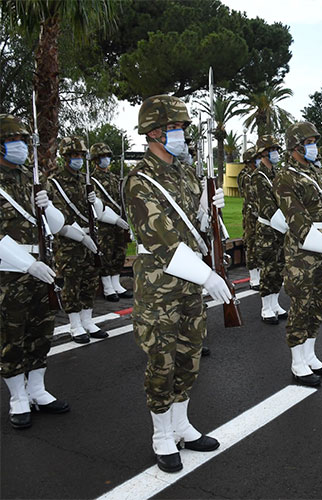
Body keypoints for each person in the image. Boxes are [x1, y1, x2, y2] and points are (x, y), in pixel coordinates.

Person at [124, 95, 227, 473]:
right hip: (159, 287)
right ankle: (162, 434)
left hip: (189, 286)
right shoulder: (139, 181)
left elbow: (195, 230)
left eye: (182, 127)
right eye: (173, 128)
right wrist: (208, 276)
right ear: (153, 132)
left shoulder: (185, 173)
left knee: (189, 356)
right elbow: (165, 244)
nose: (181, 133)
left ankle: (181, 424)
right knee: (162, 362)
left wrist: (209, 209)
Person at [0, 113, 70, 429]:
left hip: (41, 267)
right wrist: (29, 264)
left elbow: (56, 226)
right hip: (9, 273)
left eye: (22, 140)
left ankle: (38, 390)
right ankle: (18, 397)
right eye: (12, 140)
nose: (20, 146)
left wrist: (47, 205)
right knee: (11, 335)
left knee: (41, 331)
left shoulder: (31, 178)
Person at [273, 121, 322, 387]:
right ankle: (297, 362)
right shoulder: (285, 178)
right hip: (303, 252)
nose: (314, 147)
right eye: (309, 143)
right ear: (296, 146)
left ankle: (310, 355)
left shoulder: (316, 173)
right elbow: (298, 222)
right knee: (301, 305)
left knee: (319, 304)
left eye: (315, 142)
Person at [49, 137, 107, 343]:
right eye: (74, 155)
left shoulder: (86, 180)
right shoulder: (54, 182)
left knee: (90, 280)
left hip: (90, 235)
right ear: (65, 157)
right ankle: (75, 325)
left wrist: (96, 201)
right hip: (69, 241)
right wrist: (82, 238)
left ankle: (88, 321)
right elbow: (58, 216)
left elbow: (98, 211)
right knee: (71, 282)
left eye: (81, 155)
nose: (78, 159)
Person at [249, 135, 288, 324]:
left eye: (277, 149)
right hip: (267, 229)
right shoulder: (258, 177)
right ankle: (266, 307)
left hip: (280, 228)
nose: (276, 153)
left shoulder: (277, 174)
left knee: (279, 267)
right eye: (272, 150)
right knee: (268, 268)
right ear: (263, 153)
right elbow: (267, 207)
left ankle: (275, 303)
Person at [89, 142, 132, 302]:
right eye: (102, 157)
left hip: (119, 223)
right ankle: (108, 288)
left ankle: (116, 284)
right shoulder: (92, 180)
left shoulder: (115, 179)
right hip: (104, 224)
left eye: (107, 156)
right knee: (106, 254)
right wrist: (115, 219)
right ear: (95, 159)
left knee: (119, 252)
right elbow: (99, 204)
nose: (105, 159)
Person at [237, 148, 261, 290]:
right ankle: (254, 277)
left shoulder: (257, 173)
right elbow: (251, 196)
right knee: (251, 243)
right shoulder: (246, 176)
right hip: (251, 215)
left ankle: (260, 273)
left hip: (260, 214)